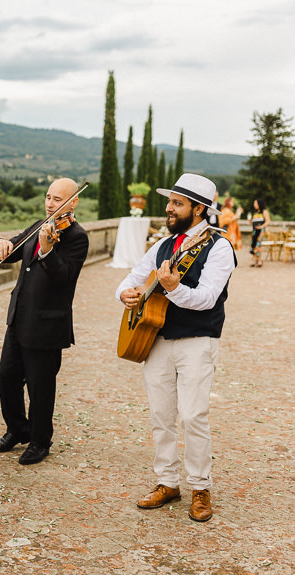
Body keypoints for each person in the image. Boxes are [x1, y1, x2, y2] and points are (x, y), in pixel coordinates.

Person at [117, 173, 236, 522]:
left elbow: (206, 299)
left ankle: (201, 487)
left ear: (198, 210)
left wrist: (172, 289)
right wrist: (124, 294)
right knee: (161, 416)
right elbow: (131, 280)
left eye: (177, 203)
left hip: (198, 342)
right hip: (155, 340)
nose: (168, 209)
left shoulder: (219, 247)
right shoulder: (162, 245)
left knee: (193, 415)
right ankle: (167, 482)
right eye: (169, 202)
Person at [0, 178, 89, 465]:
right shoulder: (38, 226)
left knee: (40, 387)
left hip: (47, 324)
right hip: (19, 318)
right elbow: (10, 252)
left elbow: (64, 277)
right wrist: (0, 244)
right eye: (48, 197)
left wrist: (47, 250)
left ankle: (40, 441)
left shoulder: (77, 236)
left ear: (73, 202)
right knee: (7, 376)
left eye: (57, 199)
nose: (50, 203)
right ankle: (17, 429)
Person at [250, 198, 270, 267]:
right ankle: (256, 260)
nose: (254, 205)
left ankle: (259, 260)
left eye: (255, 203)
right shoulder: (256, 212)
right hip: (254, 231)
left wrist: (261, 226)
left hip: (261, 231)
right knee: (254, 245)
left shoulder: (264, 212)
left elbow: (268, 221)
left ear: (259, 204)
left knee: (258, 245)